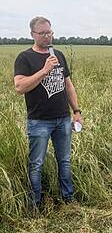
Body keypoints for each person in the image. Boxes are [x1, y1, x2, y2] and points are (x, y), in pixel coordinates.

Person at [14, 16, 82, 208]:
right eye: (42, 33)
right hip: (39, 121)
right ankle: (34, 204)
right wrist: (44, 70)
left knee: (65, 160)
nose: (47, 36)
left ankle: (68, 199)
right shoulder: (25, 57)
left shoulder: (58, 55)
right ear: (32, 34)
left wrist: (76, 111)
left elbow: (68, 85)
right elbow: (19, 87)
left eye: (49, 32)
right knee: (36, 164)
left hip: (62, 118)